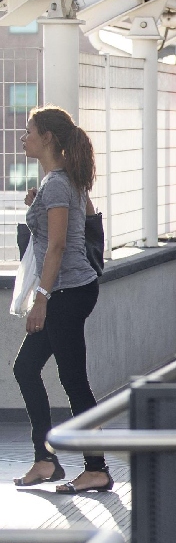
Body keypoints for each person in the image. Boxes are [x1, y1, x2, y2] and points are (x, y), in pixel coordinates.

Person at [12, 106, 109, 493]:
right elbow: (76, 224)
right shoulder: (66, 179)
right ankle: (45, 460)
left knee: (73, 380)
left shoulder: (58, 183)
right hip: (75, 288)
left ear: (48, 137)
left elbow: (56, 247)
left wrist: (41, 300)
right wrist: (36, 204)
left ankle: (96, 467)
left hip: (65, 291)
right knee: (26, 368)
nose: (24, 138)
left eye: (29, 131)